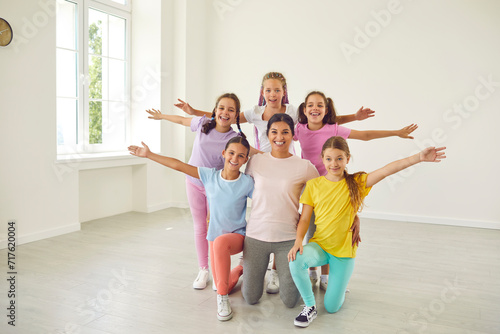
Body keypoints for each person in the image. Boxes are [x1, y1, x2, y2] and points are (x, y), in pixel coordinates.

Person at [174, 72, 374, 293]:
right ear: (262, 92)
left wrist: (353, 117)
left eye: (277, 90)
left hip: (287, 168)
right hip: (262, 164)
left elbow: (321, 120)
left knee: (289, 219)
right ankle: (239, 261)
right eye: (268, 90)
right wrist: (194, 113)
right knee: (261, 214)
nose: (272, 94)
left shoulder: (292, 113)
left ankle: (282, 271)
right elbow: (226, 115)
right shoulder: (255, 113)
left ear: (284, 92)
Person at [287, 136, 446, 328]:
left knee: (331, 307)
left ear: (347, 158)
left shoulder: (358, 182)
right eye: (329, 159)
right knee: (296, 259)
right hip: (319, 245)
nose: (334, 163)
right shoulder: (313, 186)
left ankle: (339, 285)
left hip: (344, 253)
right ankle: (310, 306)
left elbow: (387, 170)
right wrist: (298, 241)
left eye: (339, 158)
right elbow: (304, 219)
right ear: (322, 159)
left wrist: (418, 157)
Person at [295, 90, 418, 290]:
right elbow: (277, 134)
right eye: (310, 105)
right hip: (312, 188)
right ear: (304, 109)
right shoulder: (298, 129)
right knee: (311, 230)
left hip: (334, 187)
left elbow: (366, 136)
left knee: (328, 231)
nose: (315, 108)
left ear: (326, 110)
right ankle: (311, 272)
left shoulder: (334, 128)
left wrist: (396, 132)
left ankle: (325, 276)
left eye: (320, 105)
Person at [128, 136, 254, 321]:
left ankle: (223, 300)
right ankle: (240, 269)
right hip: (214, 236)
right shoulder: (210, 175)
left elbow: (265, 202)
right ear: (224, 154)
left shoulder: (247, 182)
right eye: (231, 153)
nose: (235, 158)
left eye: (241, 156)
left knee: (220, 284)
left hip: (236, 237)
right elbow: (178, 165)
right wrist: (149, 155)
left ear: (245, 160)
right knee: (222, 283)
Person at [146, 93, 258, 290]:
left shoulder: (234, 138)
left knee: (215, 227)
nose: (225, 113)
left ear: (236, 116)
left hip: (215, 187)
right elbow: (181, 120)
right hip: (194, 181)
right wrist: (162, 116)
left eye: (231, 110)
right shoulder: (203, 123)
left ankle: (220, 271)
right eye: (221, 108)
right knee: (200, 226)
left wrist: (281, 159)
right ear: (215, 110)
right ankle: (203, 269)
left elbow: (253, 153)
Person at [242, 113, 319, 308]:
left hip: (288, 241)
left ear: (293, 135)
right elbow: (240, 191)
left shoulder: (304, 166)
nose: (279, 137)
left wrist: (353, 216)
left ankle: (290, 275)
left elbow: (323, 196)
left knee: (290, 301)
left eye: (285, 132)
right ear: (267, 135)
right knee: (250, 298)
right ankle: (238, 273)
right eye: (274, 132)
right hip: (256, 237)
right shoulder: (255, 161)